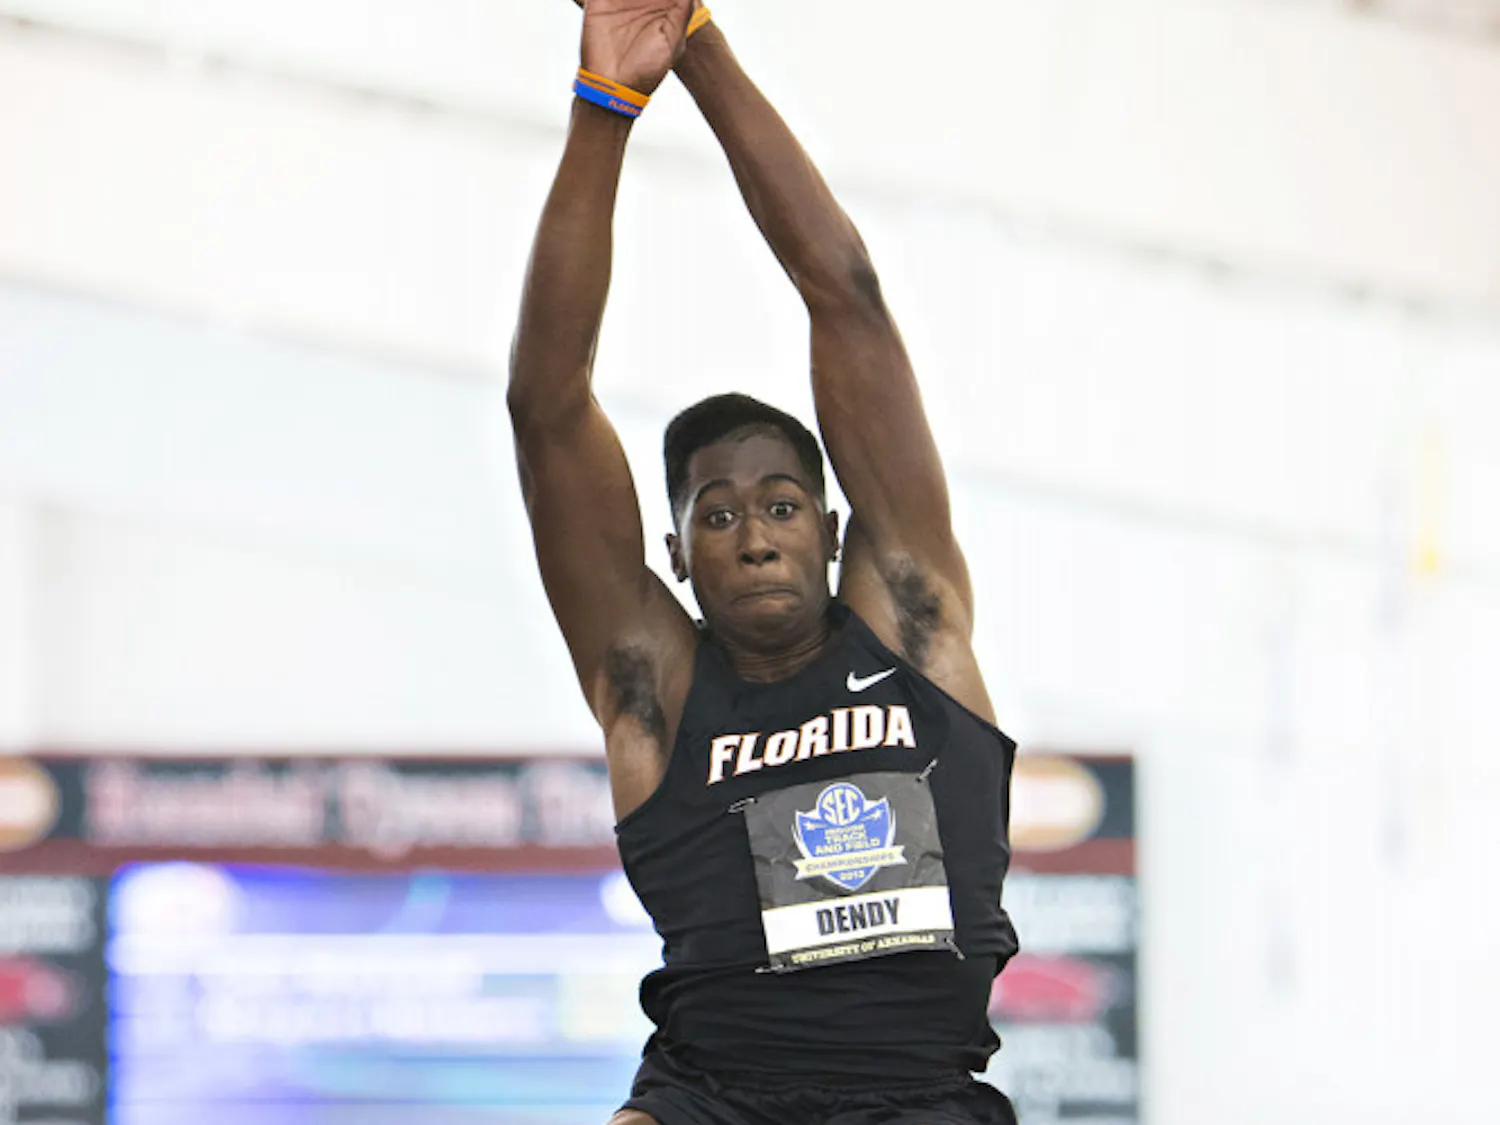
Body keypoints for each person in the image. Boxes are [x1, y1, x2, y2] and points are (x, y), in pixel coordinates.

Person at [508, 2, 1020, 1122]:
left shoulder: (913, 621)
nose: (754, 534)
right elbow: (547, 410)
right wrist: (604, 111)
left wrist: (693, 40)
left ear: (834, 533)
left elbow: (847, 296)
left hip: (918, 1099)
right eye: (718, 517)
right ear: (678, 558)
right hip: (712, 1096)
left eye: (783, 506)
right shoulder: (655, 681)